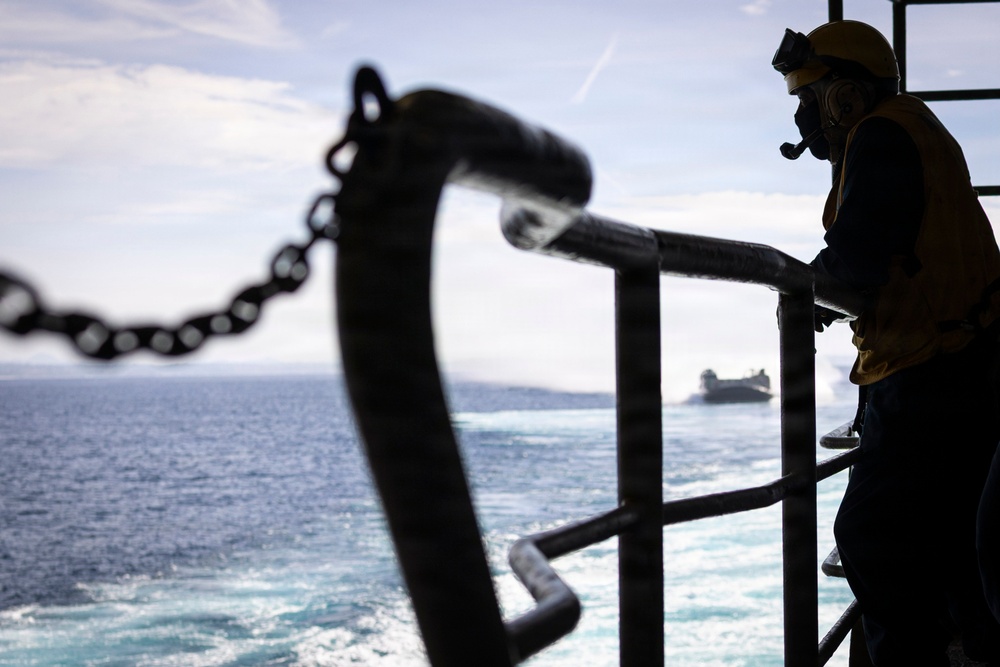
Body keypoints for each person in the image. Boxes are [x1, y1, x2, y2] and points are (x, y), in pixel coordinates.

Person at [772, 20, 1000, 665]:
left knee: (871, 536)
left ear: (843, 97)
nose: (802, 113)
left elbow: (859, 253)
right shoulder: (911, 128)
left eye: (807, 97)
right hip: (961, 360)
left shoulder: (882, 135)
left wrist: (811, 289)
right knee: (951, 540)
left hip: (930, 369)